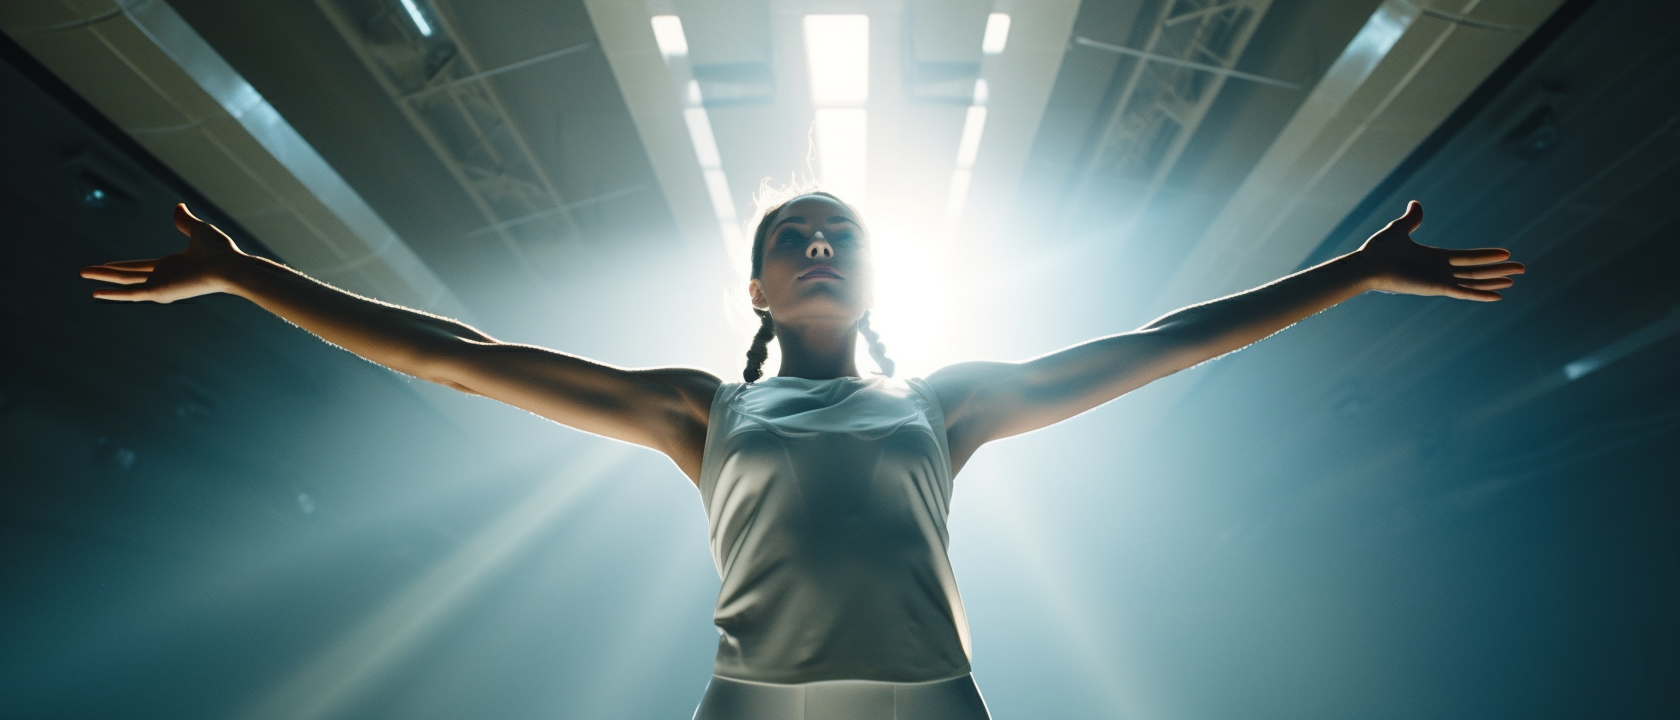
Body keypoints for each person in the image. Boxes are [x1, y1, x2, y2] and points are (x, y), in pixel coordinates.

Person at [80, 193, 1522, 719]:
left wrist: (1353, 274)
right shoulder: (698, 410)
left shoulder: (946, 405)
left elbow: (1171, 341)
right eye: (793, 239)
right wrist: (248, 276)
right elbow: (452, 354)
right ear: (759, 289)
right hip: (755, 707)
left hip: (932, 703)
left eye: (842, 238)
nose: (820, 246)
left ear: (870, 286)